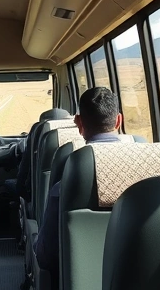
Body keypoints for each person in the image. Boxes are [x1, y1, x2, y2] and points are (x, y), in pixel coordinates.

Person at [33, 87, 122, 274]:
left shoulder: (68, 182)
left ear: (78, 122)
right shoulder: (152, 175)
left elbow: (45, 256)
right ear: (119, 121)